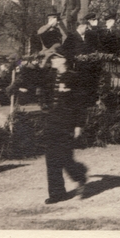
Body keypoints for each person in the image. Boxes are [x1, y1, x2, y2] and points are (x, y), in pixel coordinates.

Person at [41, 49, 88, 204]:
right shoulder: (50, 76)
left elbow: (81, 104)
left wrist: (79, 125)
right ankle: (56, 193)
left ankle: (80, 176)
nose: (52, 60)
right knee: (51, 159)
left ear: (64, 59)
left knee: (65, 157)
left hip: (67, 123)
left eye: (56, 57)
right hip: (51, 122)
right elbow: (44, 93)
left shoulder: (74, 78)